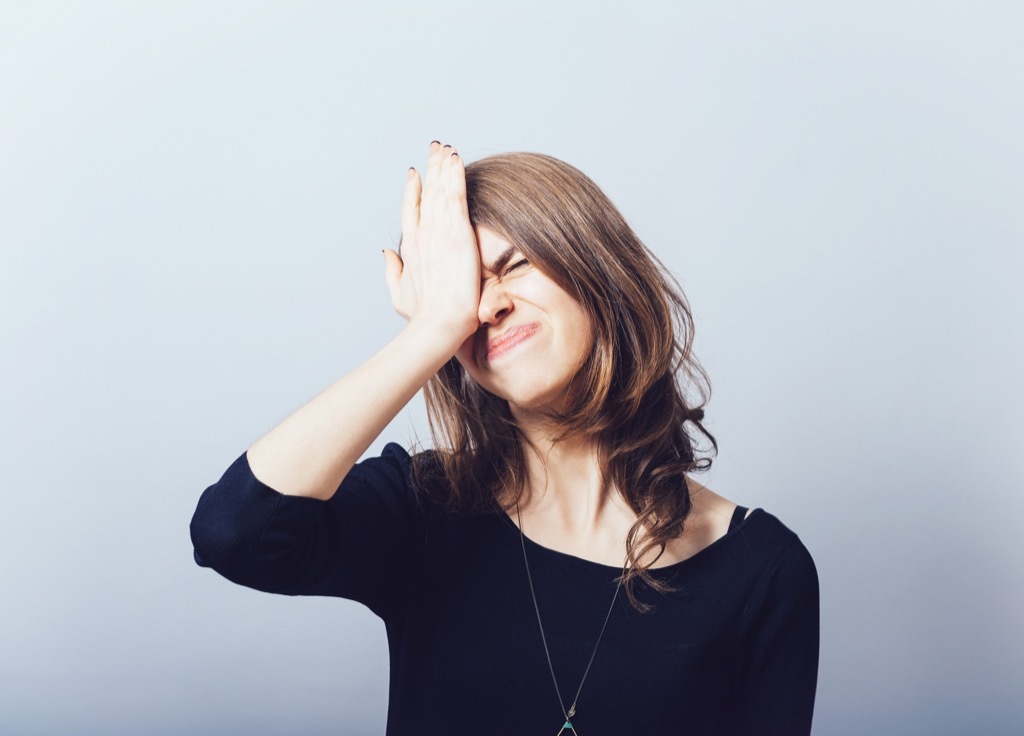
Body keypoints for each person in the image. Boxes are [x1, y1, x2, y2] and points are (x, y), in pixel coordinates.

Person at [190, 141, 820, 735]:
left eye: (513, 266)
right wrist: (429, 333)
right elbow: (233, 531)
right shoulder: (425, 508)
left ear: (597, 269)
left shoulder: (762, 571)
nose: (487, 307)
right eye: (465, 292)